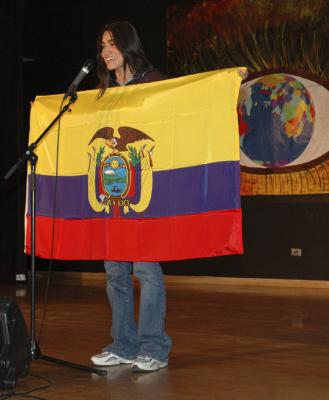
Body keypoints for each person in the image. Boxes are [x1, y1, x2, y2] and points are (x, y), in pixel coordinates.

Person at [90, 21, 172, 372]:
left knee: (146, 269)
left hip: (146, 194)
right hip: (112, 193)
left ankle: (154, 347)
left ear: (128, 45)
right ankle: (123, 344)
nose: (106, 51)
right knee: (115, 272)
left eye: (112, 44)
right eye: (102, 45)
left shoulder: (155, 83)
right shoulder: (104, 92)